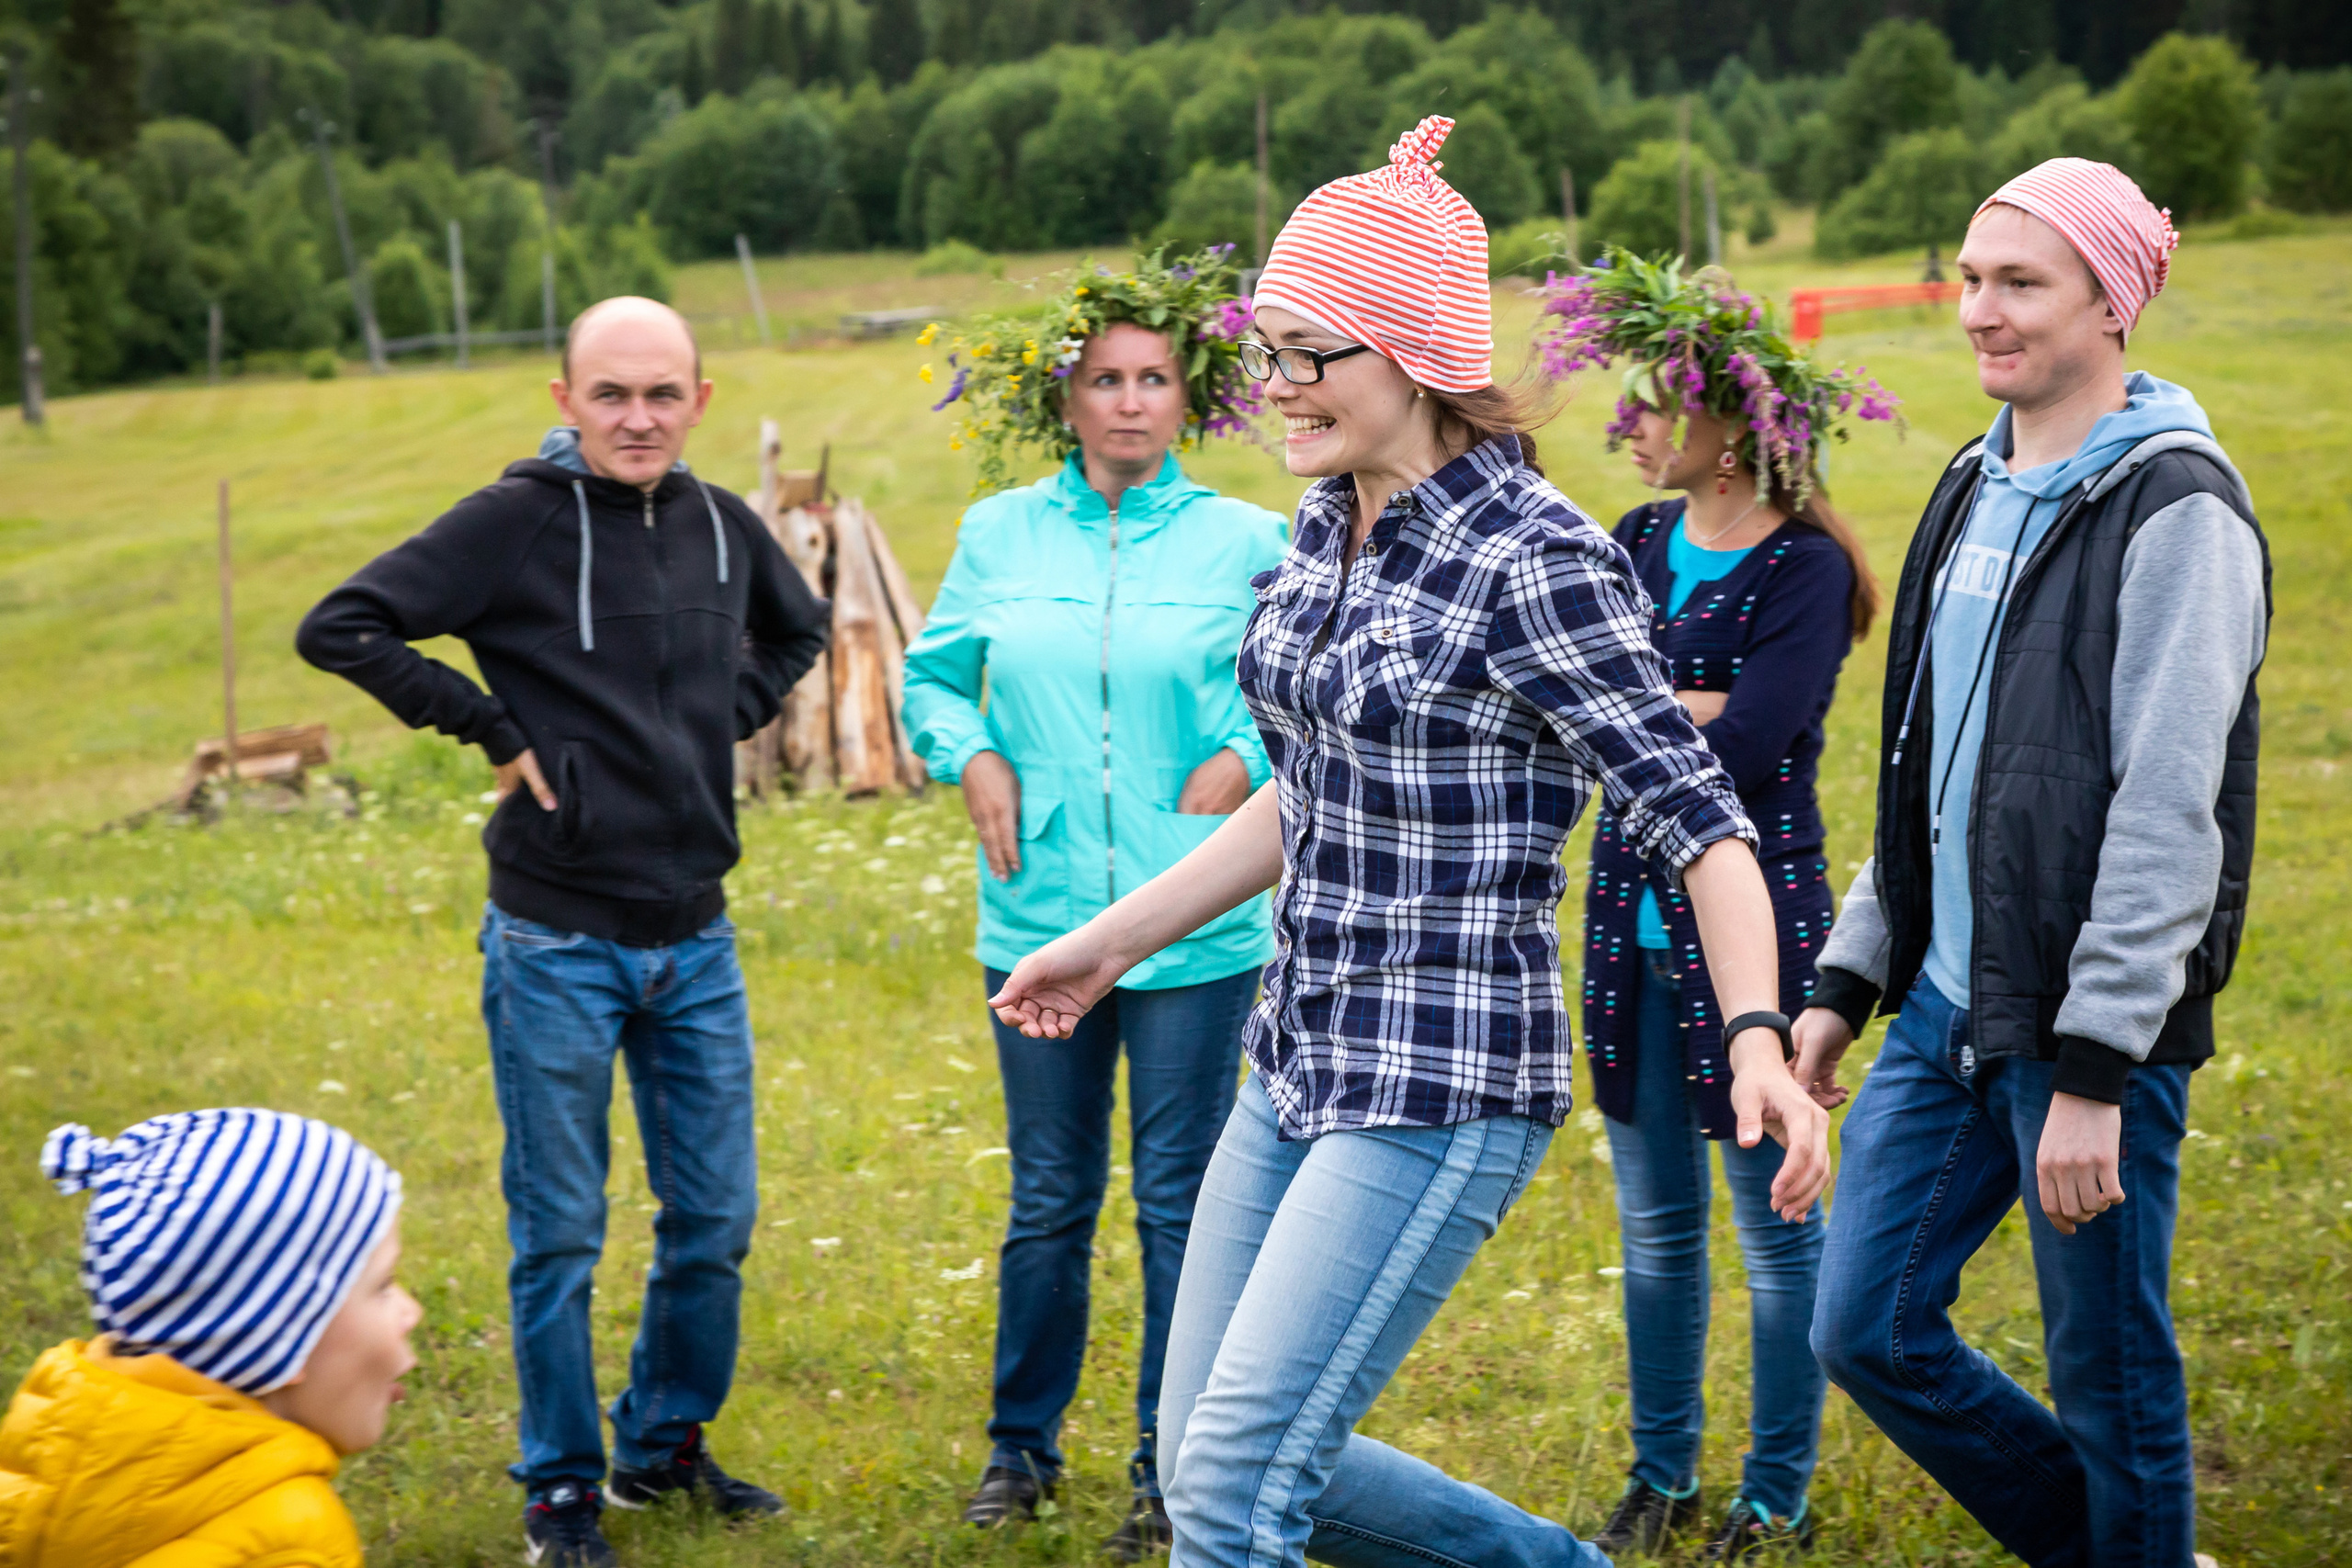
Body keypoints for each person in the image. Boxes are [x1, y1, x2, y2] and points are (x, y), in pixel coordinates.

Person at [988, 118, 1832, 1568]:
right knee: (1213, 1456)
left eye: (1315, 352)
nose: (1279, 386)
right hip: (1299, 1046)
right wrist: (1110, 938)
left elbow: (1702, 820)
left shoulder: (1537, 559)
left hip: (1443, 1073)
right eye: (1271, 348)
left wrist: (1757, 1035)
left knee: (1237, 1486)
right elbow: (1309, 787)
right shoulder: (1325, 522)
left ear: (1417, 354)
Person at [297, 298, 830, 1566]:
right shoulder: (512, 523)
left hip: (696, 936)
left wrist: (723, 715)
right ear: (564, 397)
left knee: (716, 1216)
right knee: (563, 1229)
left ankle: (662, 1444)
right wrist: (491, 727)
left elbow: (797, 626)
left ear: (699, 399)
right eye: (610, 395)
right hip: (555, 938)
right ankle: (560, 1489)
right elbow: (343, 624)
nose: (637, 417)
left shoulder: (719, 523)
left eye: (661, 394)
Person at [1793, 160, 2267, 1568]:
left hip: (2079, 1031)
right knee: (1862, 1324)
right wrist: (1849, 969)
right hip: (1946, 1006)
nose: (1980, 312)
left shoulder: (2177, 506)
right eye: (1971, 276)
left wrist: (2096, 1073)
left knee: (2111, 1383)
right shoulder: (1973, 477)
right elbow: (1926, 769)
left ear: (2110, 303)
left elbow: (2173, 809)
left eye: (2021, 283)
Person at [902, 247, 1287, 1557]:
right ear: (1063, 399)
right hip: (1039, 918)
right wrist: (975, 753)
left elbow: (1303, 685)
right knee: (1051, 1195)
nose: (1129, 401)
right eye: (1104, 378)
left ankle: (1172, 1463)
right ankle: (1020, 1448)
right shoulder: (1000, 531)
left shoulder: (1249, 537)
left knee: (1182, 1198)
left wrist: (1250, 750)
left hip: (1197, 927)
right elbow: (936, 680)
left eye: (1154, 377)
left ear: (1190, 397)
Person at [1537, 252, 1893, 1561]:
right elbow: (1597, 727)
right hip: (1626, 934)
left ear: (1730, 424)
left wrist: (1654, 711)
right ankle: (1663, 1470)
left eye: (1650, 404)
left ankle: (1776, 1493)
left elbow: (1750, 747)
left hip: (1760, 943)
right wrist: (1678, 709)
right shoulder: (1630, 542)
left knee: (1775, 1234)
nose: (1628, 424)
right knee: (1654, 1236)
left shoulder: (1804, 570)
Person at [0, 1109, 415, 1566]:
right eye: (382, 1286)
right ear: (274, 1334)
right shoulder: (289, 1546)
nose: (411, 1311)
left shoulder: (45, 1459)